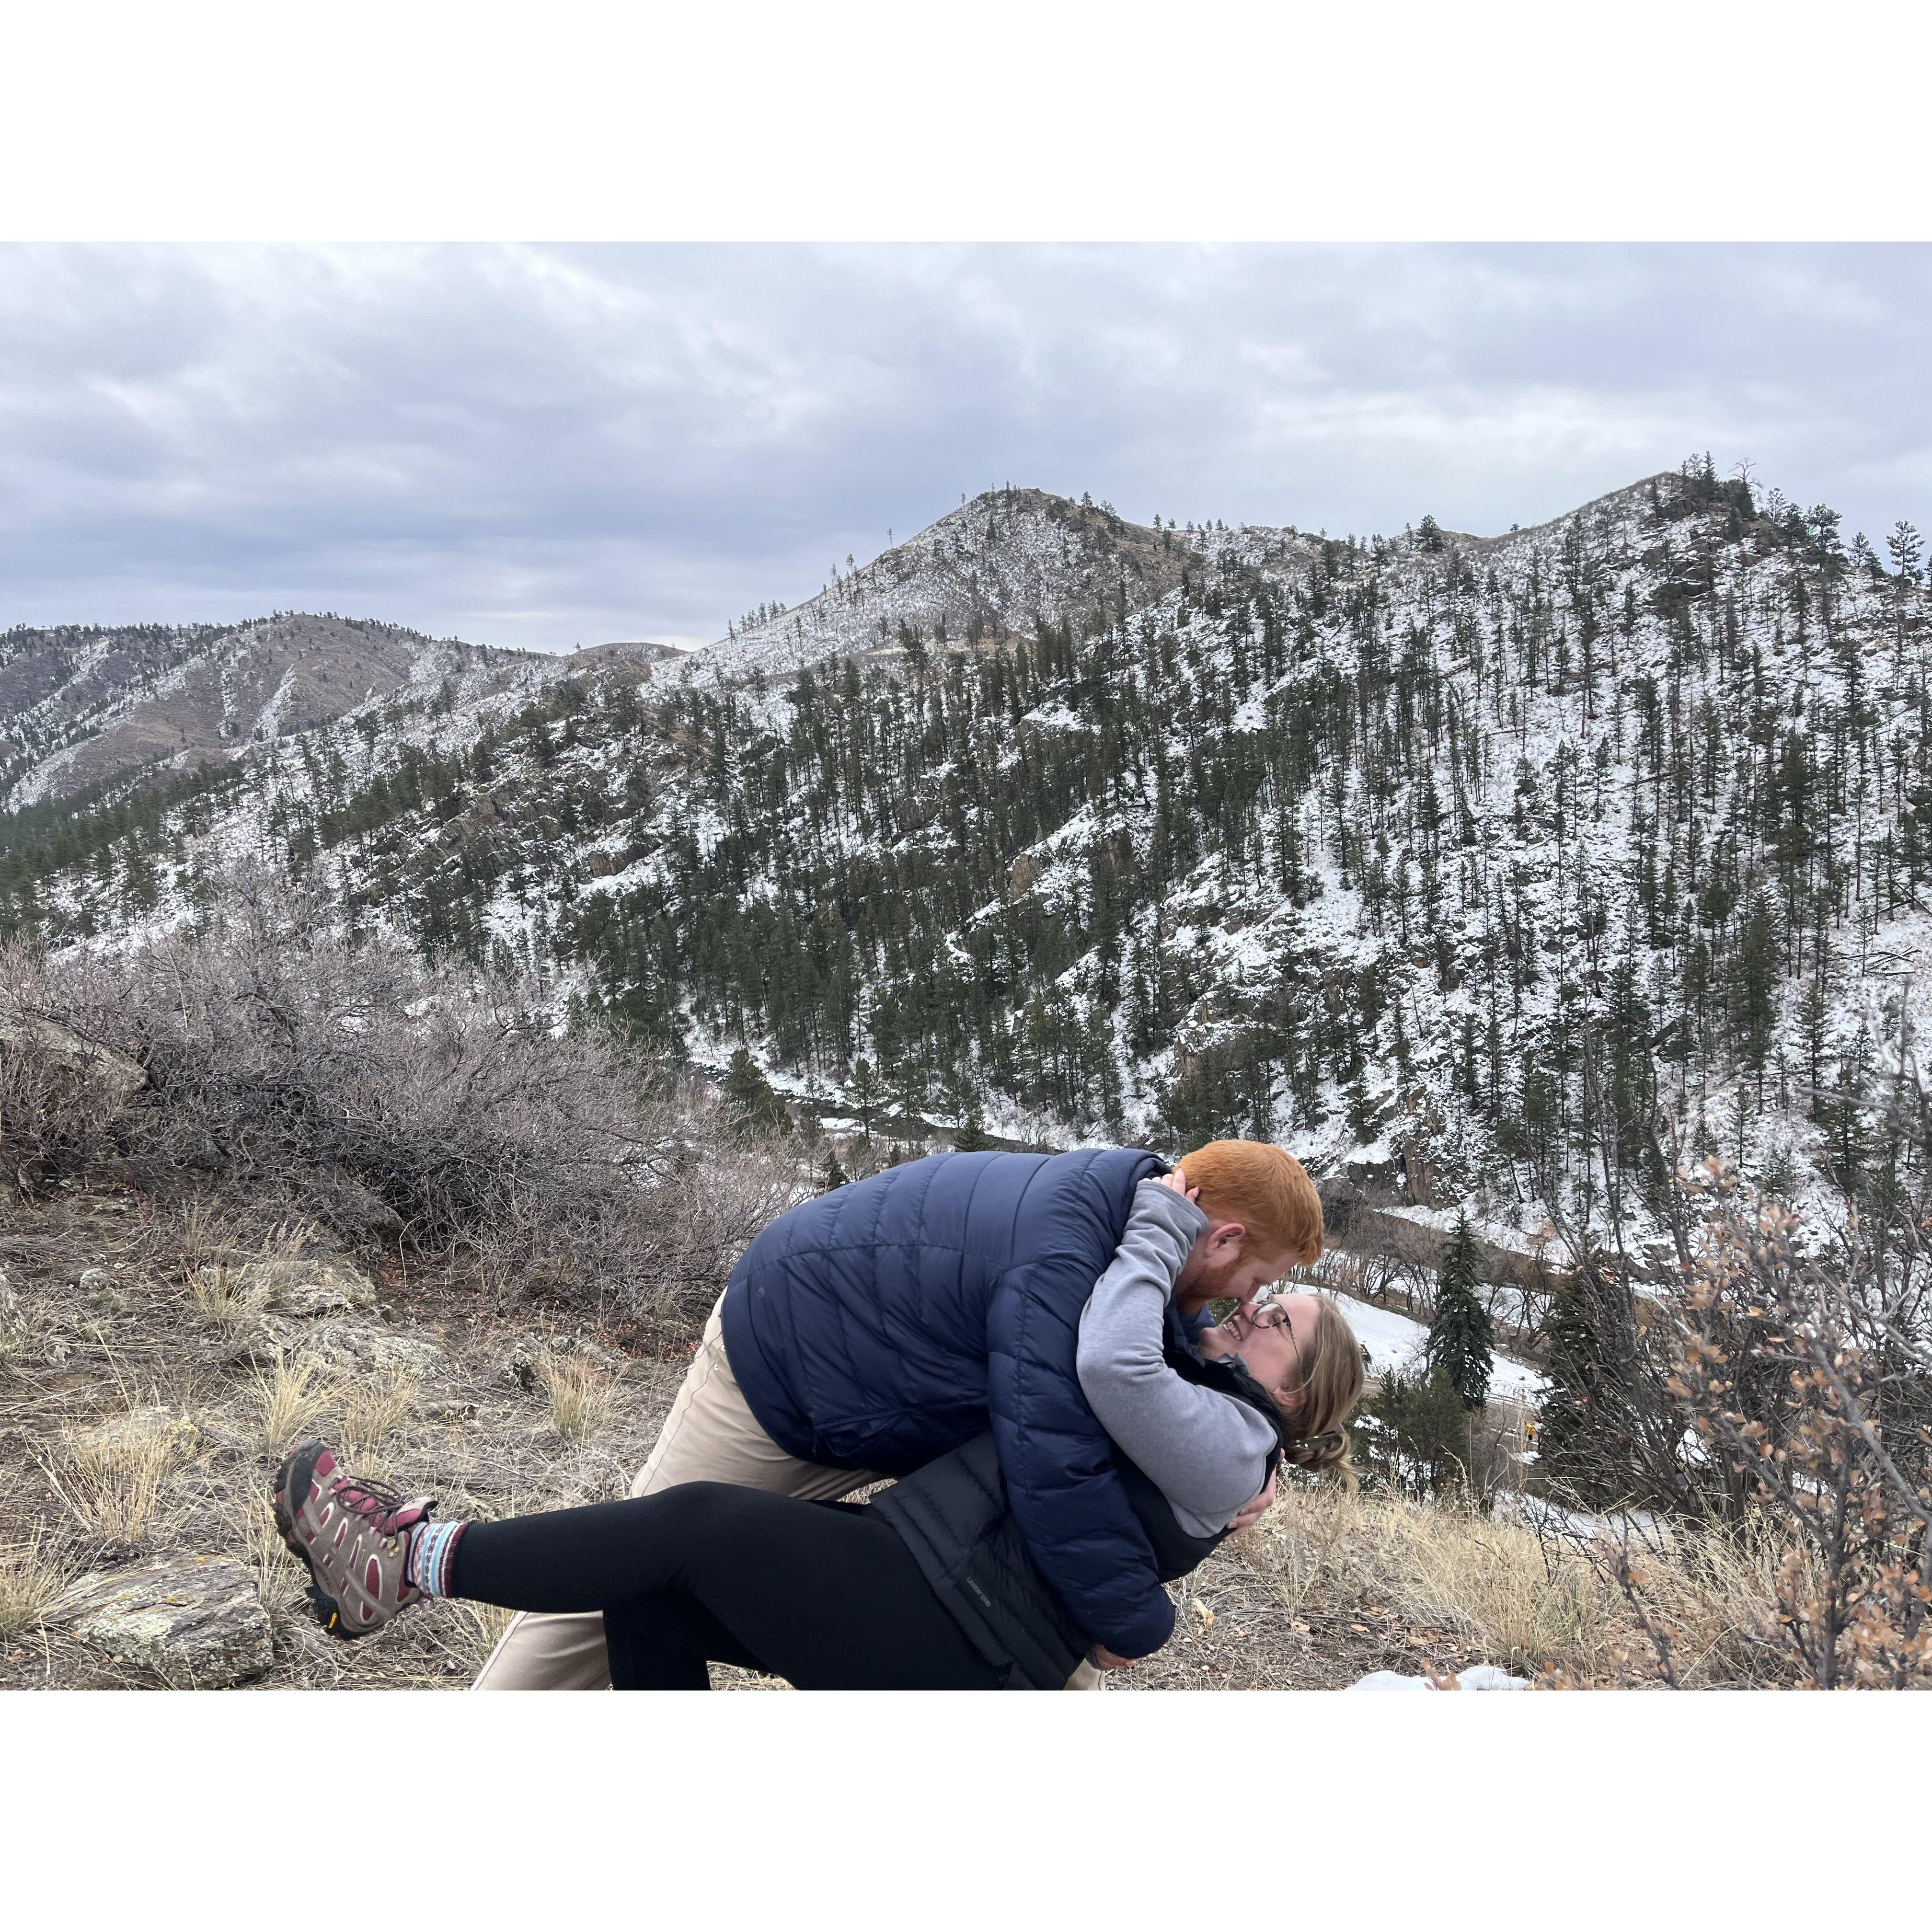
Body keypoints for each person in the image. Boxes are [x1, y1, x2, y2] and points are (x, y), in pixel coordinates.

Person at [271, 1170, 1366, 1689]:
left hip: (956, 1608)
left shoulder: (1231, 1440)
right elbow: (1110, 1370)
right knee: (643, 1587)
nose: (1247, 1310)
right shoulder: (1143, 1316)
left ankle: (409, 1557)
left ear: (1298, 1399)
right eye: (1262, 1290)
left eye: (1275, 1316)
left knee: (684, 1531)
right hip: (804, 1386)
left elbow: (1098, 1379)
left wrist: (1133, 1619)